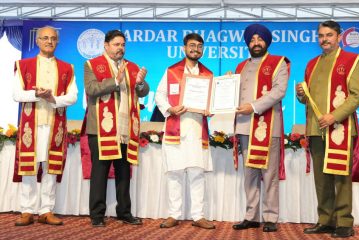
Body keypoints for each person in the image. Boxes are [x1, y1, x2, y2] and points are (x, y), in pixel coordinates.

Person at [296, 20, 359, 238]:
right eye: (321, 36)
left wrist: (334, 116)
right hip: (316, 130)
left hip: (341, 129)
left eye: (329, 35)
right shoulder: (311, 64)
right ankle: (325, 220)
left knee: (341, 178)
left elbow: (357, 96)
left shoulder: (353, 60)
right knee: (321, 178)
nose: (324, 39)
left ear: (339, 36)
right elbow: (308, 101)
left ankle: (344, 222)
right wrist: (301, 95)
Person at [82, 30, 149, 227]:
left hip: (125, 128)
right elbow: (91, 89)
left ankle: (124, 212)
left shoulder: (131, 66)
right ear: (106, 45)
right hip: (100, 128)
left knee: (123, 172)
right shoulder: (92, 65)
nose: (120, 48)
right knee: (100, 173)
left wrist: (140, 83)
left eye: (122, 45)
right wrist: (116, 80)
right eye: (116, 44)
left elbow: (144, 91)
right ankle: (97, 215)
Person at [12, 26, 78, 226]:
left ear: (57, 42)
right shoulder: (23, 65)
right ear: (38, 41)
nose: (49, 41)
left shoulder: (67, 68)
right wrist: (36, 95)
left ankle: (46, 209)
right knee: (29, 166)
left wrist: (52, 98)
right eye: (45, 38)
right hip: (31, 125)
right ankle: (27, 210)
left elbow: (73, 97)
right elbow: (16, 95)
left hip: (54, 124)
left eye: (53, 38)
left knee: (51, 166)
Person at [232, 23, 290, 232]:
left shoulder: (278, 63)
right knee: (250, 175)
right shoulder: (240, 66)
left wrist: (254, 107)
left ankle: (271, 217)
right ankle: (251, 216)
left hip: (268, 126)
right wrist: (228, 84)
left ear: (267, 41)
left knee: (269, 174)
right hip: (245, 127)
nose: (256, 43)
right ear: (248, 43)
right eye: (252, 40)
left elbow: (279, 91)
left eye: (260, 39)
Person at [155, 33, 215, 229]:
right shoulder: (172, 71)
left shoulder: (208, 74)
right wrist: (170, 109)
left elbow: (213, 101)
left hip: (197, 129)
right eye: (192, 45)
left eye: (199, 46)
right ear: (184, 48)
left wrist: (211, 109)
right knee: (175, 173)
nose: (195, 49)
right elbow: (160, 95)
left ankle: (198, 216)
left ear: (203, 49)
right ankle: (174, 214)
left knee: (197, 173)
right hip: (175, 127)